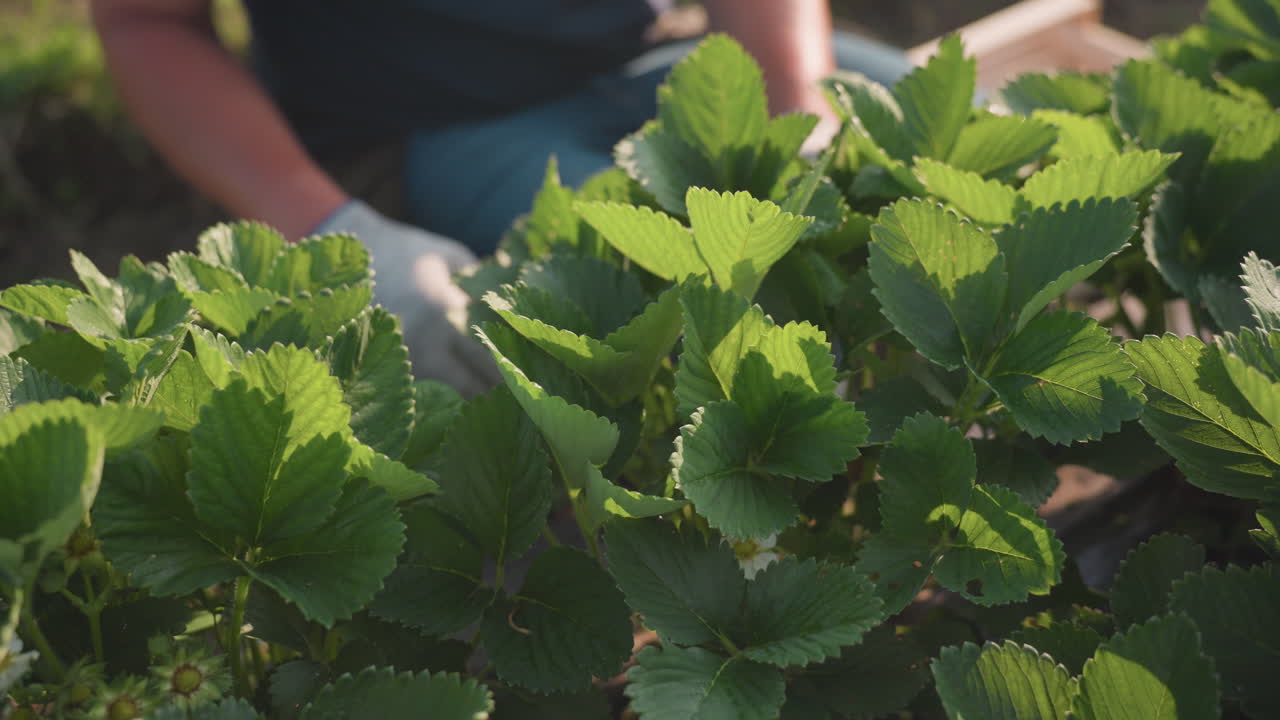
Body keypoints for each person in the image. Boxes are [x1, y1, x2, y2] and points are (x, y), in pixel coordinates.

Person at [90, 0, 911, 395]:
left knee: (935, 165)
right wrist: (331, 226)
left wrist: (792, 100)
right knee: (660, 302)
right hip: (423, 121)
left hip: (651, 54)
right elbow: (145, 20)